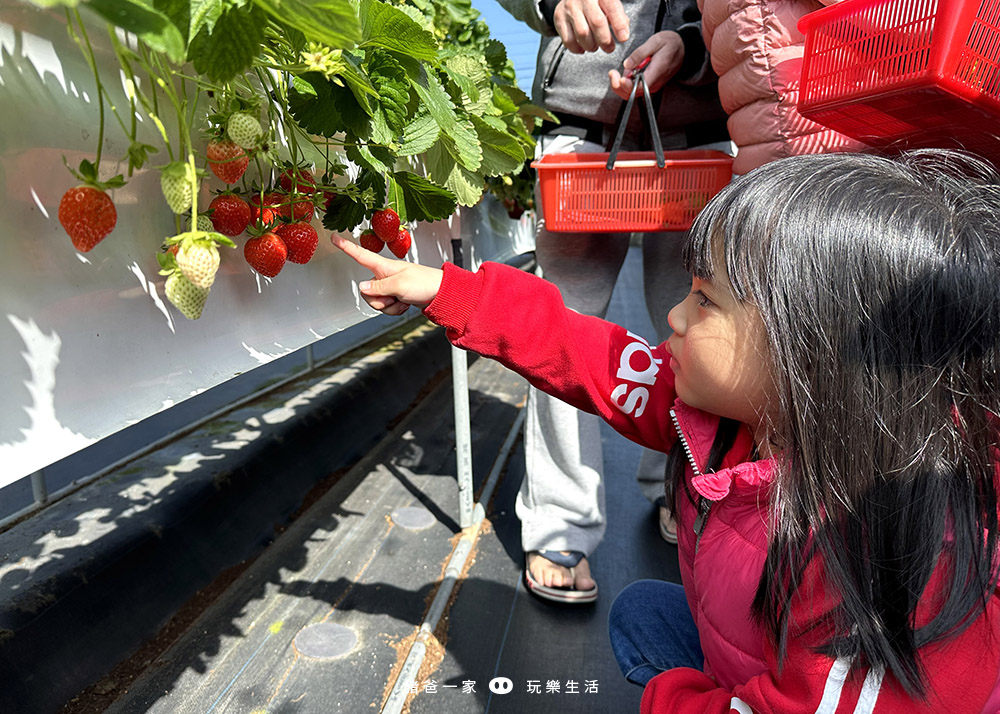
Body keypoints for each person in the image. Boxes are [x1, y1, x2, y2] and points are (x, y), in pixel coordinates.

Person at [333, 149, 1000, 713]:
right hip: (769, 650)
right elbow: (587, 355)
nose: (675, 318)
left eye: (705, 300)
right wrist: (451, 292)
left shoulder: (892, 556)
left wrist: (672, 701)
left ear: (811, 352)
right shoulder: (728, 419)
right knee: (643, 614)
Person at [497, 0, 731, 603]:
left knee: (698, 320)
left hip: (698, 136)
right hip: (580, 129)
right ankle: (561, 518)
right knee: (562, 326)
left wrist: (692, 45)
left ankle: (677, 478)